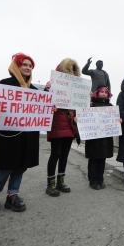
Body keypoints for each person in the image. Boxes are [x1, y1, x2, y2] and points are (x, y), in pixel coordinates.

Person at [0, 53, 39, 212]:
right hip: (10, 135)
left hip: (28, 136)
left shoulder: (35, 90)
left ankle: (12, 195)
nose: (28, 68)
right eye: (24, 64)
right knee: (6, 166)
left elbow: (41, 111)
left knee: (21, 166)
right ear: (16, 66)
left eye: (30, 65)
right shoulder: (5, 84)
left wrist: (50, 109)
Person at [44, 58, 81, 197]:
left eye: (73, 70)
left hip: (70, 123)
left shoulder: (75, 86)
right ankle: (50, 184)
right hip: (57, 122)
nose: (71, 72)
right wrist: (47, 90)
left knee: (64, 155)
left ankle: (61, 181)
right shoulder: (54, 83)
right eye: (69, 69)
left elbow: (77, 104)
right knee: (55, 154)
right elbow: (44, 102)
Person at [85, 86, 115, 189]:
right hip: (94, 139)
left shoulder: (111, 106)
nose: (103, 93)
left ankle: (100, 179)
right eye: (101, 91)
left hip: (105, 139)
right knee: (93, 159)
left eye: (105, 92)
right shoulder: (91, 105)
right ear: (97, 93)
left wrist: (118, 121)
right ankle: (92, 181)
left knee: (102, 159)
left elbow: (113, 121)